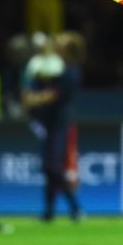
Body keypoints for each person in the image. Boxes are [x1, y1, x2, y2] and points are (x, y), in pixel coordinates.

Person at [22, 32, 83, 221]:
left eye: (61, 42)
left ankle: (73, 206)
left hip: (61, 124)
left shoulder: (71, 70)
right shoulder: (57, 67)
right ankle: (50, 211)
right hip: (49, 123)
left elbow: (55, 94)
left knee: (53, 167)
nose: (56, 43)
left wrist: (35, 98)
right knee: (49, 167)